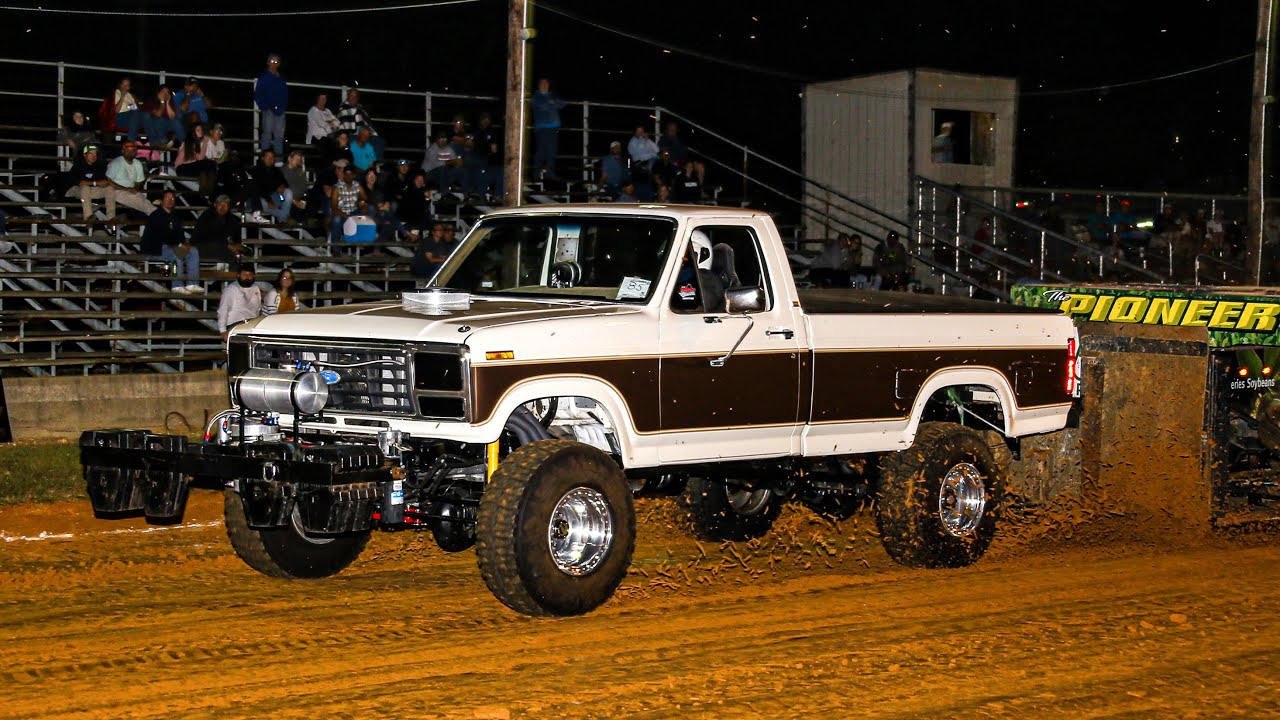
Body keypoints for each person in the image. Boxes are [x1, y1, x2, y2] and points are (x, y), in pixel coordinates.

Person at [141, 190, 201, 294]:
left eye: (172, 198)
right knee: (175, 255)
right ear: (162, 201)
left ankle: (192, 284)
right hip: (155, 249)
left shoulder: (175, 216)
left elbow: (180, 235)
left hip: (170, 247)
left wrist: (184, 244)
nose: (170, 200)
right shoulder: (156, 215)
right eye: (167, 198)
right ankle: (176, 285)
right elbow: (162, 236)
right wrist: (180, 245)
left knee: (193, 251)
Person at [64, 144, 115, 222]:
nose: (93, 156)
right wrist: (95, 183)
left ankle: (111, 219)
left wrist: (97, 183)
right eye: (90, 153)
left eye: (95, 154)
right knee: (85, 188)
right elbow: (80, 183)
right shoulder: (78, 166)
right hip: (75, 190)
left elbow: (105, 182)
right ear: (85, 155)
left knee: (109, 188)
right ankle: (88, 218)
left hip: (91, 191)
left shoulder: (99, 166)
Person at [106, 140, 155, 218]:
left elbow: (139, 182)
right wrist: (127, 189)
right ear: (123, 151)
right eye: (128, 150)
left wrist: (134, 188)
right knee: (142, 203)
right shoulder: (116, 163)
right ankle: (157, 215)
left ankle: (156, 215)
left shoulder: (138, 164)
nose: (130, 152)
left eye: (133, 150)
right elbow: (108, 181)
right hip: (116, 191)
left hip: (130, 191)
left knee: (143, 201)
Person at [193, 195, 243, 268]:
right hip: (201, 247)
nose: (222, 208)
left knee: (236, 255)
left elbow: (236, 233)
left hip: (219, 247)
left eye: (225, 205)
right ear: (215, 205)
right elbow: (209, 237)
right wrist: (228, 246)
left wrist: (237, 243)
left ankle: (233, 277)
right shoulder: (207, 216)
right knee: (230, 254)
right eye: (220, 205)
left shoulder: (230, 218)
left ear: (228, 207)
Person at [218, 263, 264, 340]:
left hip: (251, 325)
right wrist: (222, 331)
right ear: (239, 275)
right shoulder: (231, 289)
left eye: (250, 274)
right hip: (235, 325)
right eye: (244, 274)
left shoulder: (256, 288)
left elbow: (258, 309)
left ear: (253, 276)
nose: (247, 277)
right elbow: (223, 310)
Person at [254, 53, 288, 155]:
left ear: (279, 64)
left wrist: (282, 107)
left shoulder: (281, 79)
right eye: (272, 61)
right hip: (268, 110)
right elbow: (258, 94)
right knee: (267, 134)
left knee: (279, 136)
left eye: (276, 62)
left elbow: (285, 94)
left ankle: (278, 159)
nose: (274, 64)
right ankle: (265, 158)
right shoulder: (264, 77)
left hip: (280, 111)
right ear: (268, 63)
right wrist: (265, 106)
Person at [531, 78, 565, 178]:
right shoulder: (536, 96)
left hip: (553, 127)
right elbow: (540, 106)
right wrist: (553, 104)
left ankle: (550, 172)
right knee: (540, 150)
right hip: (541, 127)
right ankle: (536, 171)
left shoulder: (553, 95)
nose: (545, 85)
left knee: (552, 150)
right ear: (539, 85)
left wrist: (552, 103)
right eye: (542, 83)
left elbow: (562, 104)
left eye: (546, 83)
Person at [175, 124, 218, 195]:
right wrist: (205, 142)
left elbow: (200, 158)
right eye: (198, 130)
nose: (201, 131)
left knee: (210, 165)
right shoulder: (187, 142)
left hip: (192, 167)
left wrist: (204, 143)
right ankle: (206, 190)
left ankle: (208, 190)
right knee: (205, 164)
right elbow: (200, 158)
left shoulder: (196, 143)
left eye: (201, 130)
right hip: (181, 167)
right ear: (193, 132)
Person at [245, 149, 287, 221]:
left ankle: (283, 214)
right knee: (263, 203)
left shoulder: (276, 171)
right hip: (257, 200)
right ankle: (284, 218)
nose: (270, 159)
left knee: (285, 196)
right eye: (268, 157)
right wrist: (269, 201)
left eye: (272, 157)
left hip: (274, 197)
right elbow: (259, 190)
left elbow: (284, 182)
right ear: (262, 158)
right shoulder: (256, 170)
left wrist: (282, 186)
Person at [329, 165, 367, 242]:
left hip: (354, 212)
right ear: (343, 175)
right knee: (336, 220)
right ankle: (336, 248)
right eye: (346, 174)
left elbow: (365, 199)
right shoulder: (337, 187)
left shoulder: (357, 185)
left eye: (350, 174)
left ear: (354, 175)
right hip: (341, 214)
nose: (348, 176)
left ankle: (360, 244)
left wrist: (362, 202)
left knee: (366, 212)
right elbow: (334, 208)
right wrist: (348, 217)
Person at [105, 77, 143, 141]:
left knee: (146, 115)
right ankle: (131, 141)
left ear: (129, 87)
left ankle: (133, 142)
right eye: (123, 85)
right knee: (136, 116)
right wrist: (122, 96)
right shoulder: (116, 93)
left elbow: (135, 108)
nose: (125, 87)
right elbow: (116, 111)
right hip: (120, 117)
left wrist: (132, 105)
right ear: (120, 85)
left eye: (127, 85)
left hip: (130, 116)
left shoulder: (129, 95)